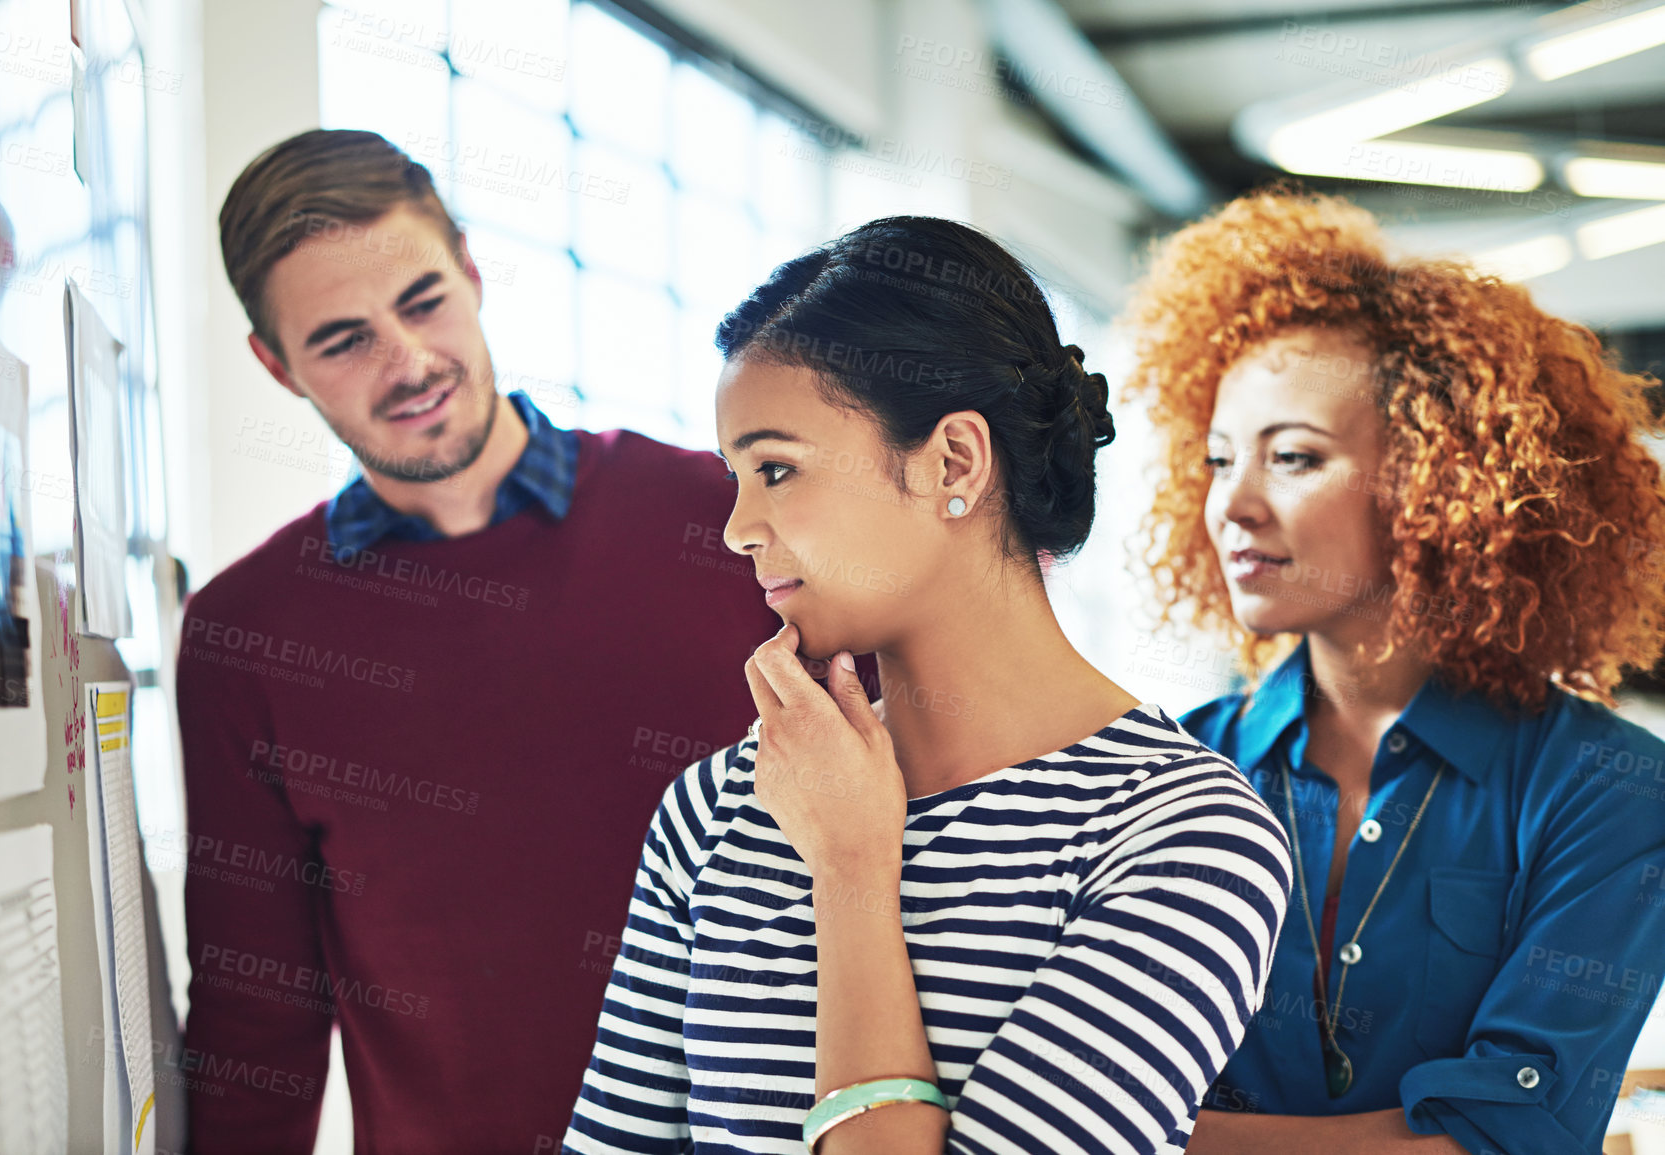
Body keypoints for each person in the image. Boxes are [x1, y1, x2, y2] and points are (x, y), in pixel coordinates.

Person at [177, 128, 855, 1153]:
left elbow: (917, 833)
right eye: (342, 340)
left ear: (472, 269)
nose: (409, 363)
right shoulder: (249, 634)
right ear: (277, 367)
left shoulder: (724, 521)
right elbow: (255, 1031)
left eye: (422, 301)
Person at [561, 216, 1293, 1155]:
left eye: (776, 469)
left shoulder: (1182, 835)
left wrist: (853, 866)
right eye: (735, 477)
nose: (737, 528)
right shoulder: (716, 805)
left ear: (953, 461)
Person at [1120, 186, 1665, 1155]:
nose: (1232, 504)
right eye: (1214, 459)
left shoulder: (1609, 789)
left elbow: (1507, 1138)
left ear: (1434, 483)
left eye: (1291, 456)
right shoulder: (1167, 769)